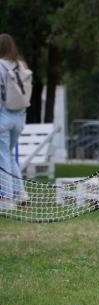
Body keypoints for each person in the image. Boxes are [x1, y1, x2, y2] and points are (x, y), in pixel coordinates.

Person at [0, 33, 28, 203]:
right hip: (20, 117)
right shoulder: (21, 65)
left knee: (2, 157)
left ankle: (6, 199)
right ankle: (20, 193)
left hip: (3, 117)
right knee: (9, 155)